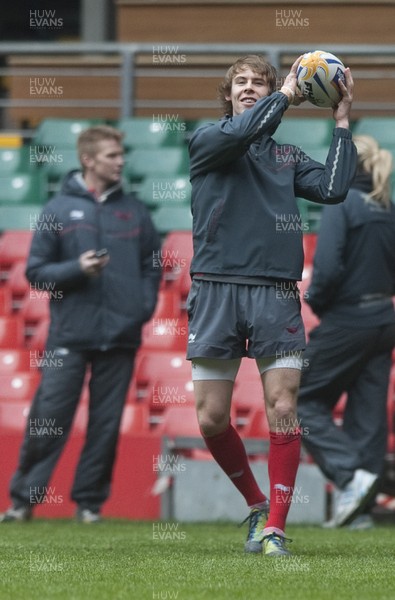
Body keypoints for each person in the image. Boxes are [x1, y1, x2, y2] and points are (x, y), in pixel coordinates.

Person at [186, 54, 357, 556]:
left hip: (276, 292)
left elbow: (333, 188)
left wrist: (341, 121)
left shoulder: (285, 157)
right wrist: (286, 92)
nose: (248, 88)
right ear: (228, 94)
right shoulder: (208, 141)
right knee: (211, 418)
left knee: (283, 407)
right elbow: (243, 135)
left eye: (258, 83)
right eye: (239, 82)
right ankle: (257, 504)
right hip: (215, 287)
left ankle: (276, 527)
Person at [0, 125, 161, 523]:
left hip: (121, 335)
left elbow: (152, 266)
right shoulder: (57, 210)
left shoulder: (135, 212)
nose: (121, 161)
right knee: (49, 419)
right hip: (69, 335)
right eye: (111, 155)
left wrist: (141, 307)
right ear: (88, 160)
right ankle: (23, 501)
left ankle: (89, 504)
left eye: (121, 154)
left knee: (105, 426)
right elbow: (36, 273)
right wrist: (77, 269)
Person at [297, 134, 395, 528]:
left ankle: (352, 478)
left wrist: (318, 303)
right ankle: (361, 511)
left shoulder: (343, 204)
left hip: (346, 319)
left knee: (295, 400)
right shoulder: (387, 208)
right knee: (367, 415)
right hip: (384, 320)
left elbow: (328, 264)